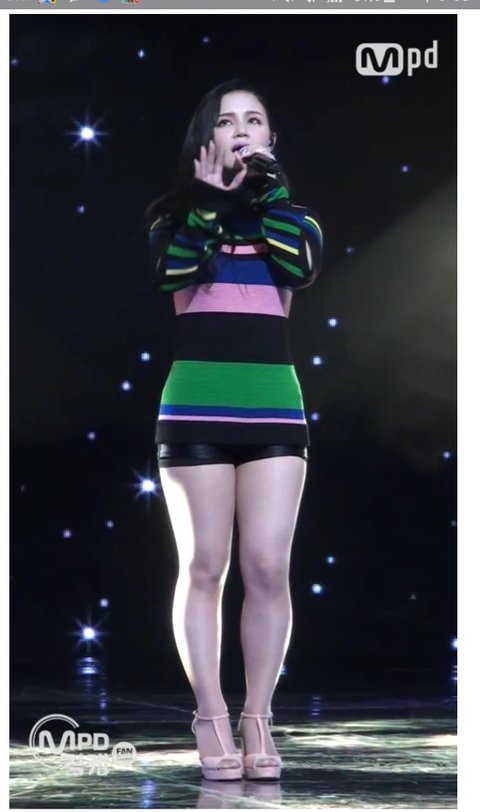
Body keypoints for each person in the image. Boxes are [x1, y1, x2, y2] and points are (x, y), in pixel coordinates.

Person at [145, 78, 323, 782]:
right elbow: (175, 275)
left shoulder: (296, 220)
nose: (242, 129)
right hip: (196, 407)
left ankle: (258, 716)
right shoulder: (172, 219)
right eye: (227, 121)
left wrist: (269, 196)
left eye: (255, 120)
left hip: (273, 406)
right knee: (203, 565)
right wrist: (211, 203)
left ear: (271, 139)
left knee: (268, 566)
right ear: (206, 139)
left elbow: (299, 269)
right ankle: (211, 715)